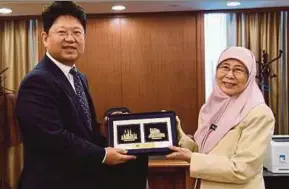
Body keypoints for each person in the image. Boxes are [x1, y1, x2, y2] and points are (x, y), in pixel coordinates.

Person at [15, 1, 147, 189]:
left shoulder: (79, 77)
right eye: (62, 32)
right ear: (45, 38)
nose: (70, 39)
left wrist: (105, 129)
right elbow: (52, 138)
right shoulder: (37, 81)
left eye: (77, 32)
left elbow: (82, 129)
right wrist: (102, 154)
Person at [166, 46, 275, 189]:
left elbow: (242, 169)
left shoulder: (259, 113)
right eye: (224, 67)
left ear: (250, 76)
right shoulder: (210, 108)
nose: (229, 75)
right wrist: (177, 133)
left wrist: (193, 159)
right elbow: (203, 151)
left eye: (238, 70)